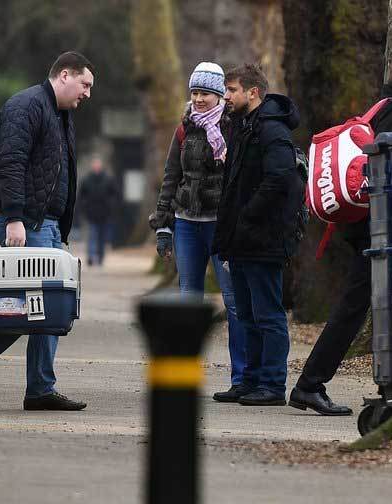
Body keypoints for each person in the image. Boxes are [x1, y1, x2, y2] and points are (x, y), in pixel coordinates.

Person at [0, 52, 94, 411]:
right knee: (32, 308)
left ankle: (39, 386)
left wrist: (62, 229)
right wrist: (14, 218)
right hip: (26, 222)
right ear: (64, 75)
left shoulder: (60, 115)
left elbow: (60, 175)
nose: (87, 93)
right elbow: (9, 163)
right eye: (84, 84)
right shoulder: (25, 106)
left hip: (47, 224)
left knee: (49, 308)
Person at [289, 60, 392, 416]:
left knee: (370, 304)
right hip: (374, 227)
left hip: (360, 224)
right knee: (352, 309)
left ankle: (383, 382)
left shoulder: (380, 107)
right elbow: (388, 169)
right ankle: (310, 384)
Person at [148, 62, 246, 397]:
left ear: (219, 95)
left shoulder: (235, 128)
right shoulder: (184, 128)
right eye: (194, 93)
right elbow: (171, 177)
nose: (199, 99)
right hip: (187, 224)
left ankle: (241, 378)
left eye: (205, 93)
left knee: (233, 302)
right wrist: (163, 225)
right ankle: (184, 376)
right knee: (187, 301)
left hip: (220, 227)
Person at [212, 63, 302, 406]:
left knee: (267, 314)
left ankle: (272, 385)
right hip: (243, 239)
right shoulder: (241, 126)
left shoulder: (272, 130)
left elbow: (280, 180)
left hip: (264, 238)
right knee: (247, 314)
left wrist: (248, 216)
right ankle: (249, 381)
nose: (226, 97)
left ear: (253, 92)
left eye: (232, 90)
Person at [79, 157, 118, 266]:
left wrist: (110, 206)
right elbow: (82, 196)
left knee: (101, 238)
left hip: (104, 214)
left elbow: (114, 194)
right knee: (92, 236)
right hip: (91, 213)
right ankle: (91, 257)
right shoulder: (86, 180)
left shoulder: (108, 179)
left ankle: (100, 257)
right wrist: (84, 207)